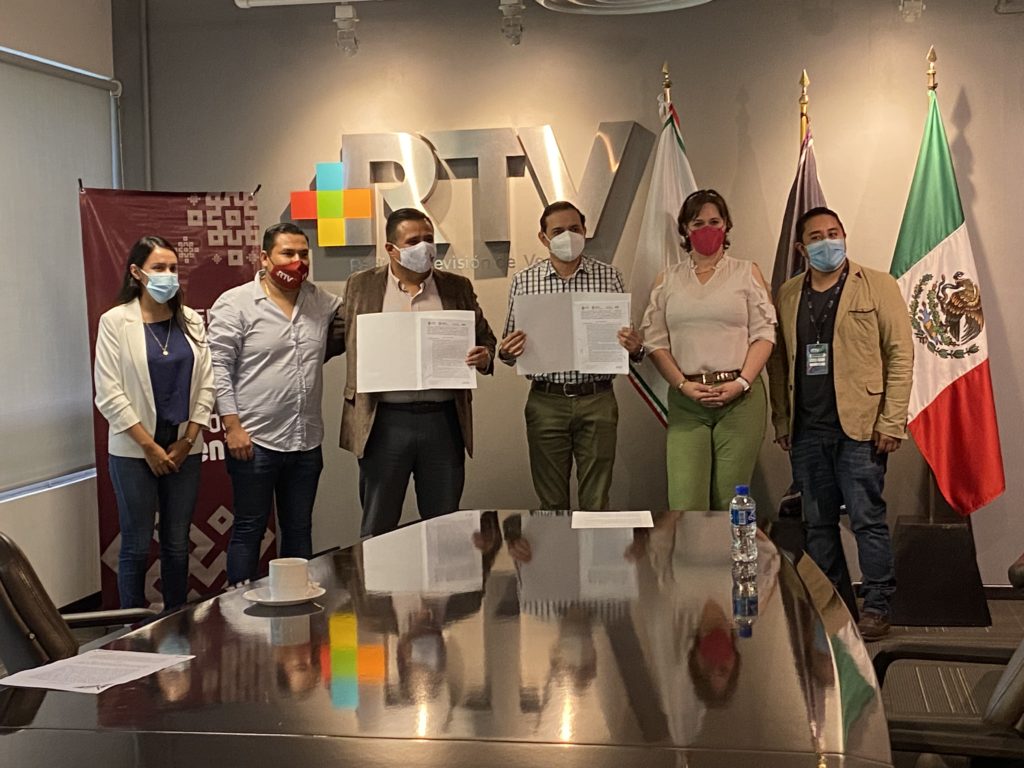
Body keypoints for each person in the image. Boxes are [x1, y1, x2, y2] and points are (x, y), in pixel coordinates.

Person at [768, 206, 913, 640]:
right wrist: (782, 419)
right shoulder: (788, 294)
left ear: (844, 236)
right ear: (802, 248)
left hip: (861, 427)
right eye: (816, 237)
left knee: (867, 520)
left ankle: (878, 605)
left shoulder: (878, 285)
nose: (827, 242)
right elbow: (778, 362)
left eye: (834, 233)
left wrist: (892, 421)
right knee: (817, 524)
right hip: (808, 429)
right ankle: (833, 604)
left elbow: (900, 354)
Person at [338, 208, 496, 537]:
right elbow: (336, 337)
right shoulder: (361, 286)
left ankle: (442, 575)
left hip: (443, 422)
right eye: (413, 241)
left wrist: (485, 357)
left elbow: (487, 341)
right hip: (382, 422)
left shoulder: (457, 287)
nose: (424, 247)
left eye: (429, 239)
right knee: (379, 526)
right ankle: (379, 575)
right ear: (391, 249)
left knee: (444, 526)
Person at [207, 222, 342, 585]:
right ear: (265, 258)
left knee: (299, 529)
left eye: (303, 254)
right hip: (255, 441)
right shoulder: (235, 303)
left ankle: (296, 603)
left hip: (305, 440)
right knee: (249, 528)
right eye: (287, 253)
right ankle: (238, 609)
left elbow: (364, 313)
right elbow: (218, 368)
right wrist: (232, 427)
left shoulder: (321, 302)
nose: (297, 261)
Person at [94, 236, 215, 610]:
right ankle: (133, 628)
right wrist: (149, 446)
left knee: (177, 542)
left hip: (183, 446)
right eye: (159, 268)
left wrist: (188, 440)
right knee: (136, 543)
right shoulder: (116, 322)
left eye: (173, 268)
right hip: (135, 448)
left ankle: (176, 621)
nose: (168, 276)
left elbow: (206, 383)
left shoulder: (190, 319)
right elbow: (109, 393)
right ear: (137, 272)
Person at [498, 201, 643, 511]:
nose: (568, 236)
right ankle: (557, 545)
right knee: (551, 503)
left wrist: (635, 347)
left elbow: (628, 346)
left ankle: (594, 545)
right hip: (546, 401)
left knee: (597, 500)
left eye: (574, 229)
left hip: (597, 398)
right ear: (543, 238)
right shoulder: (524, 281)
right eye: (558, 231)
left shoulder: (610, 277)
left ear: (585, 231)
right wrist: (507, 352)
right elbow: (507, 350)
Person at [640, 189, 776, 511]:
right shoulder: (667, 279)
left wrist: (741, 382)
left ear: (726, 225)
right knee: (685, 501)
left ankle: (731, 549)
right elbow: (656, 342)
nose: (707, 229)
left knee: (730, 500)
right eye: (698, 223)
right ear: (685, 229)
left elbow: (764, 334)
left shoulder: (747, 272)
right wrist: (682, 385)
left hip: (740, 398)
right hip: (687, 399)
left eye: (714, 222)